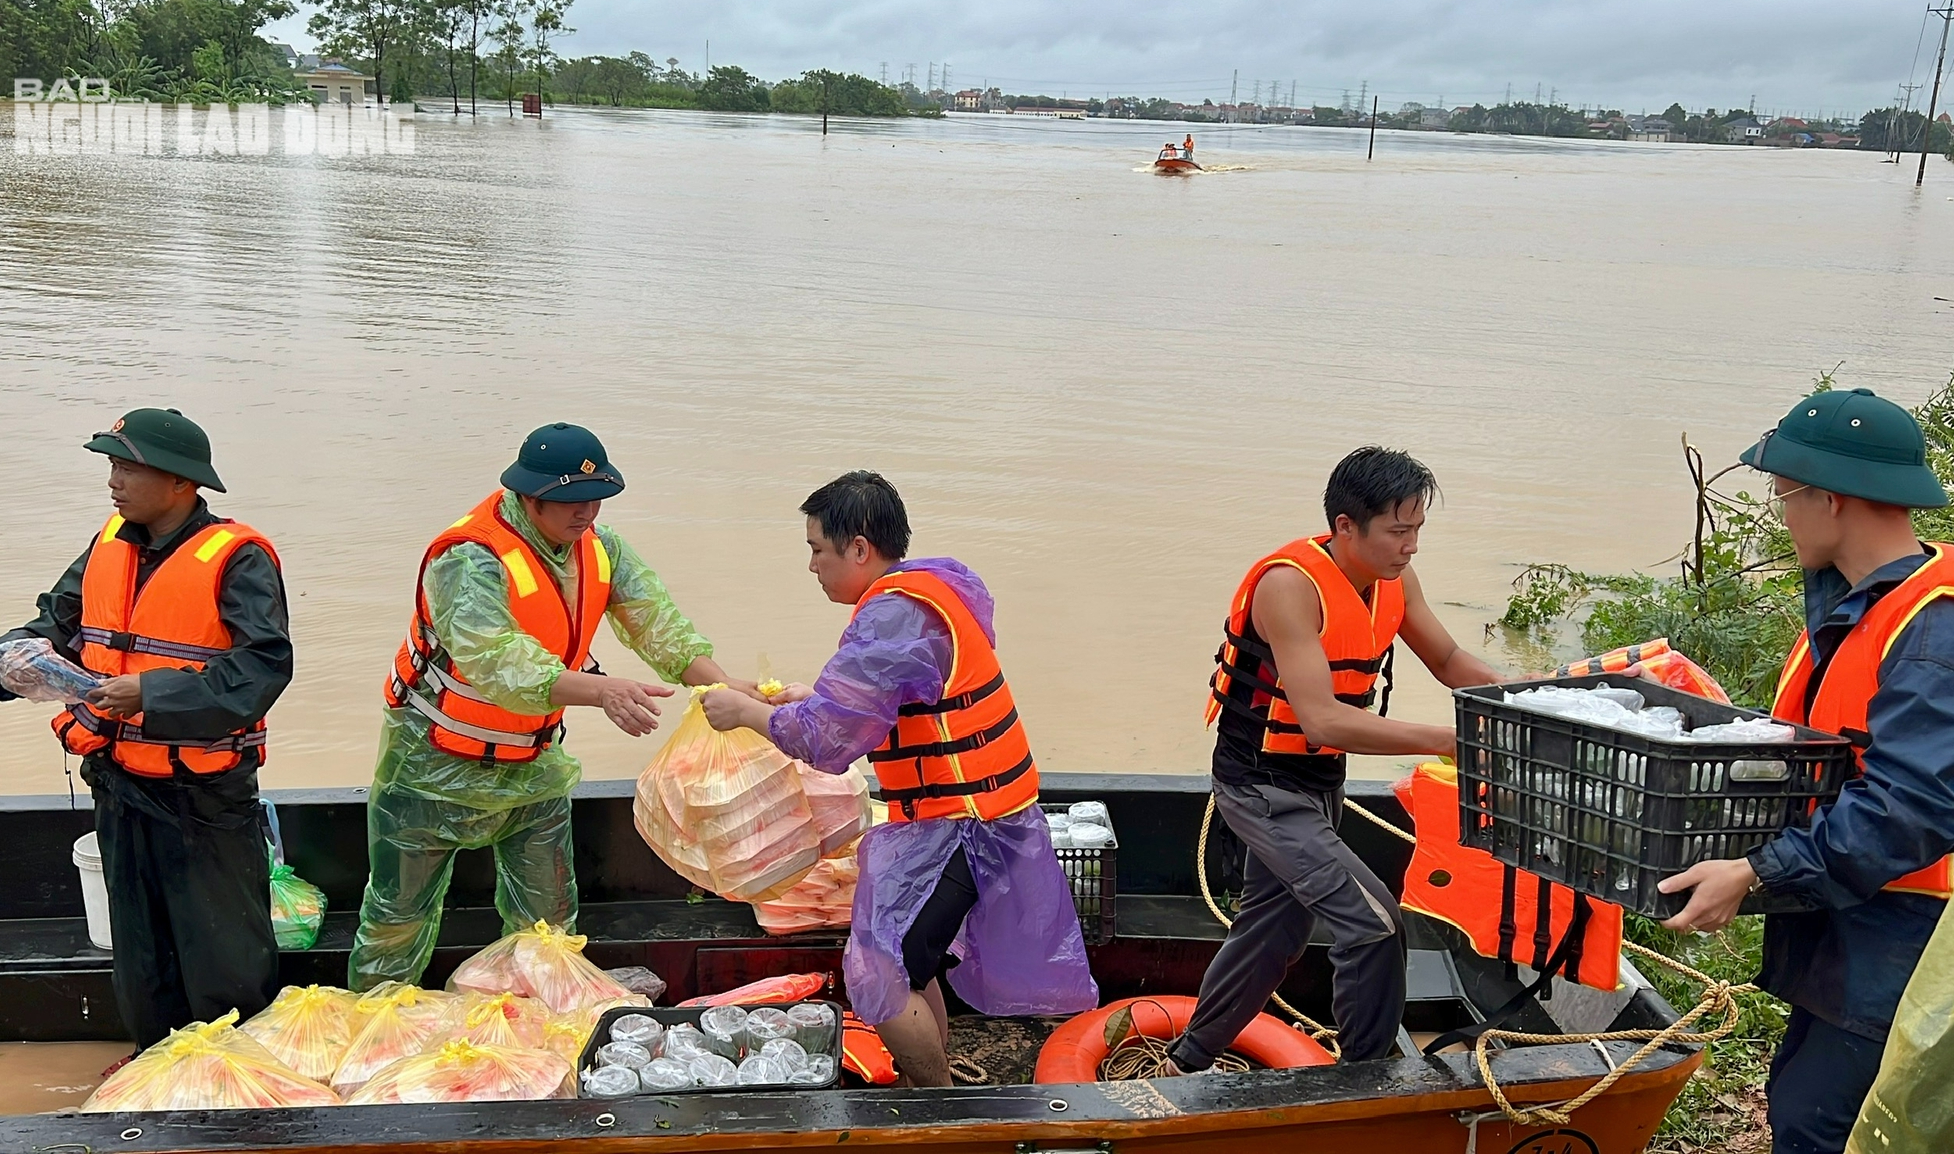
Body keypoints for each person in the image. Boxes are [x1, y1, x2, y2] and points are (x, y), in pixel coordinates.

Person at [701, 471, 1097, 1086]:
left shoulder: (889, 618)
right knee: (911, 958)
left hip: (966, 826)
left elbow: (826, 742)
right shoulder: (931, 587)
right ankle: (927, 1079)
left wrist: (748, 714)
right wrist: (814, 698)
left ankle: (934, 1104)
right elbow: (897, 698)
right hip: (982, 816)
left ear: (859, 548)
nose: (811, 566)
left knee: (880, 974)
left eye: (816, 550)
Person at [348, 422, 761, 990]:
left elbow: (658, 624)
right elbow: (496, 660)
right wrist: (602, 690)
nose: (586, 512)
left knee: (549, 928)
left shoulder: (601, 549)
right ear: (528, 495)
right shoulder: (469, 559)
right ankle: (374, 1026)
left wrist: (717, 685)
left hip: (532, 764)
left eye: (596, 498)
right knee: (399, 920)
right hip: (431, 767)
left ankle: (539, 1037)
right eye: (570, 500)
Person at [1658, 387, 1954, 1154]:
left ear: (1832, 500)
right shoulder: (1858, 603)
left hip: (1906, 932)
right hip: (1844, 915)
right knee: (1800, 1102)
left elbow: (1909, 807)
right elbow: (1822, 750)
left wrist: (1756, 872)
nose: (1783, 512)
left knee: (1826, 1127)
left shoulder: (1932, 629)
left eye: (1786, 494)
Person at [1160, 447, 1506, 1073]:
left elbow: (1452, 663)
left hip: (1320, 784)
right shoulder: (1289, 586)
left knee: (1275, 932)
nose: (1412, 546)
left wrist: (1522, 698)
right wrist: (1446, 740)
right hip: (1261, 788)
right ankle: (1368, 1078)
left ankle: (1188, 1059)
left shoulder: (1394, 579)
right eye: (1399, 531)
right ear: (1348, 525)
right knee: (1373, 924)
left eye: (1418, 530)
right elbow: (1320, 719)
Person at [0, 408, 290, 1052]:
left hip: (204, 796)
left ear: (181, 482)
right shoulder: (108, 542)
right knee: (139, 944)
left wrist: (149, 690)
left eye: (128, 467)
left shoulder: (239, 558)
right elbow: (54, 620)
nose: (113, 481)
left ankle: (234, 1077)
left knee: (221, 946)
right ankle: (155, 1060)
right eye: (112, 465)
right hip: (118, 783)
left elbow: (262, 668)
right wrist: (11, 657)